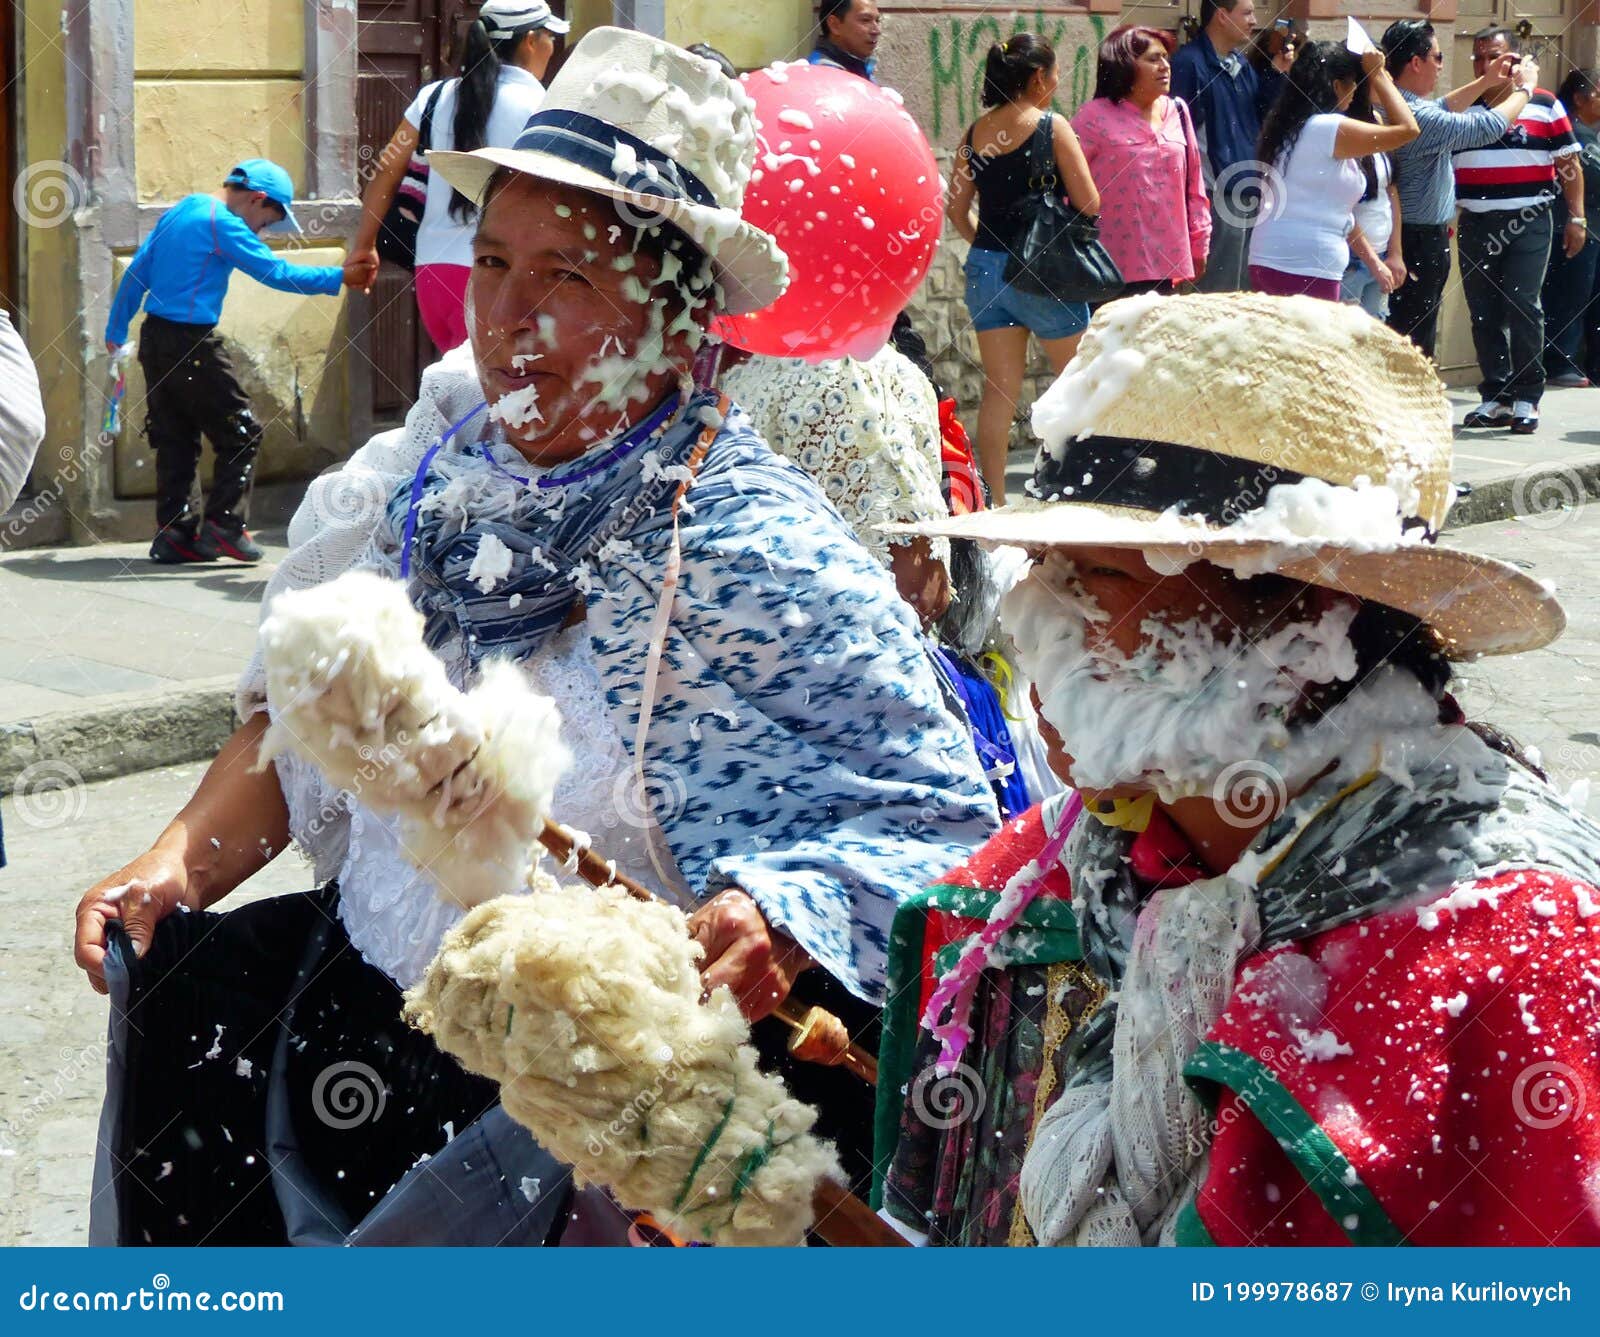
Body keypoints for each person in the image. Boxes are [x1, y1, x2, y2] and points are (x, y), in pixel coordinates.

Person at [74, 27, 999, 1248]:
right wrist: (176, 863)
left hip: (587, 1144)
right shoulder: (426, 473)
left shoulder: (751, 548)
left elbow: (941, 832)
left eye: (565, 275)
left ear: (675, 313)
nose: (506, 311)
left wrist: (775, 911)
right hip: (351, 1046)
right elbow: (306, 717)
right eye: (496, 257)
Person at [874, 291, 1600, 1247]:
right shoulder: (1045, 879)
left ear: (1310, 628)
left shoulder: (1499, 965)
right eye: (1043, 566)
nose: (1038, 620)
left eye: (1107, 578)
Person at [721, 345, 1061, 819]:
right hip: (854, 700)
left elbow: (914, 583)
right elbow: (921, 591)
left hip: (790, 699)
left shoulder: (737, 379)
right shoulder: (861, 372)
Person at [104, 160, 364, 566]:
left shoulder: (185, 208)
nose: (262, 230)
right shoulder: (223, 224)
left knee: (176, 436)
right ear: (258, 199)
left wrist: (117, 329)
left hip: (154, 338)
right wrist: (339, 278)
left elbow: (138, 270)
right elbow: (274, 272)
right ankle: (225, 526)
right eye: (268, 220)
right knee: (242, 432)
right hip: (192, 344)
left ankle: (175, 533)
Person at [348, 0, 565, 353]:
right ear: (530, 41)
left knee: (461, 390)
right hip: (502, 278)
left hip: (435, 273)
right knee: (503, 397)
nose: (552, 48)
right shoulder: (543, 106)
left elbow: (388, 166)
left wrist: (363, 246)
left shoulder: (432, 98)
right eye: (550, 37)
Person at [948, 34, 1100, 504]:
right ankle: (1070, 490)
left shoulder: (975, 132)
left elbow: (956, 209)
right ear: (1038, 78)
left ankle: (990, 503)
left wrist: (990, 250)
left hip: (986, 271)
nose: (1056, 84)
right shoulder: (1052, 127)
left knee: (998, 393)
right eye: (1054, 74)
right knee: (1077, 385)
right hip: (1045, 274)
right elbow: (1091, 202)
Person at [1454, 27, 1585, 435]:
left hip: (1529, 219)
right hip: (1475, 220)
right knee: (1483, 309)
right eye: (1478, 58)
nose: (1485, 64)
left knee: (1523, 304)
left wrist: (1577, 216)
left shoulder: (1545, 105)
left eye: (1494, 55)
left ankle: (1528, 395)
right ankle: (1496, 396)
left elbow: (1568, 164)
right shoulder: (1464, 107)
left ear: (1515, 60)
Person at [1380, 20, 1537, 359]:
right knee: (1413, 343)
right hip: (1416, 240)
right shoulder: (1414, 115)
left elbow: (1442, 108)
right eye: (1438, 57)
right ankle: (1411, 408)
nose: (1441, 66)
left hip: (1413, 236)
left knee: (1407, 333)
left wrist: (1486, 81)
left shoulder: (1399, 104)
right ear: (1416, 62)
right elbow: (1485, 127)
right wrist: (1525, 89)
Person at [1248, 44, 1417, 300]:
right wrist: (1378, 74)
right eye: (1353, 84)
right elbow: (1409, 129)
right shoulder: (1328, 128)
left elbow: (1337, 213)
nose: (1356, 92)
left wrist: (1373, 262)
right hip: (1305, 265)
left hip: (1274, 259)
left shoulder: (1292, 126)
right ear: (1337, 86)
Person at [1072, 26, 1210, 295]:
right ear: (1124, 66)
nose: (1164, 66)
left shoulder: (1177, 110)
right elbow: (1068, 186)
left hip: (1167, 267)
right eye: (1152, 59)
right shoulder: (1092, 118)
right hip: (1108, 268)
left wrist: (1199, 241)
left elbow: (1194, 186)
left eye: (1165, 58)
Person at [1170, 0, 1287, 292]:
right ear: (1222, 16)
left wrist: (1276, 74)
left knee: (1244, 290)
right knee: (1216, 293)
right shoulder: (1189, 63)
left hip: (1249, 188)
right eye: (1246, 13)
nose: (1254, 20)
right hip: (1215, 194)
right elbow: (1177, 132)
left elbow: (1263, 117)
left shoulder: (1242, 64)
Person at [1542, 68, 1600, 387]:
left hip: (1589, 229)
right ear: (1579, 98)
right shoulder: (1574, 131)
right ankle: (1559, 362)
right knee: (1569, 297)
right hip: (1573, 227)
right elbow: (1593, 177)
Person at [1340, 143, 1403, 318]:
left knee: (1375, 334)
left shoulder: (1381, 139)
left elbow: (1392, 194)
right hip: (1352, 261)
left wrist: (1395, 253)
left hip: (1382, 257)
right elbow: (1344, 212)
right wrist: (1373, 263)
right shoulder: (1346, 146)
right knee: (1346, 332)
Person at [809, 0, 881, 81]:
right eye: (865, 20)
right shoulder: (823, 76)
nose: (877, 31)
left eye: (877, 21)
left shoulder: (860, 68)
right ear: (834, 25)